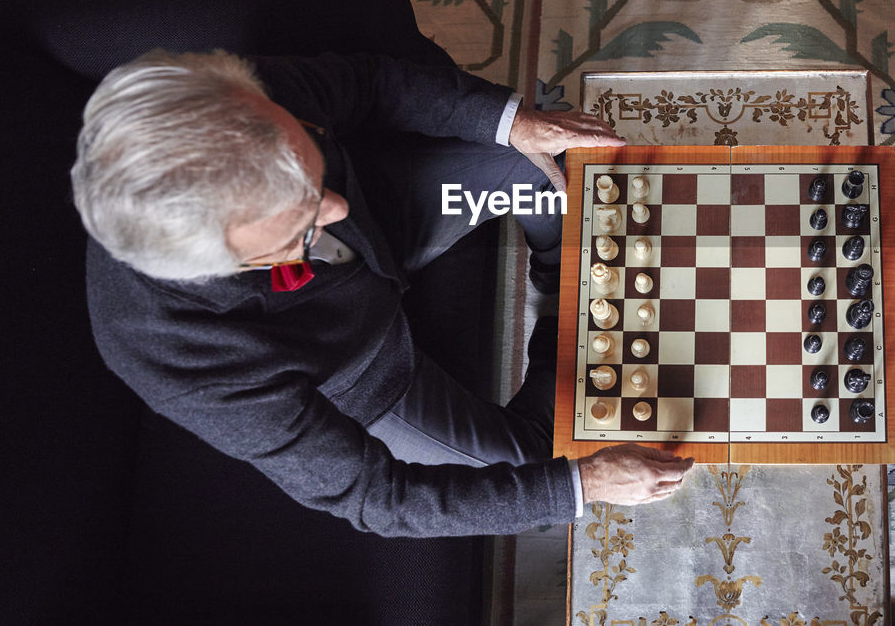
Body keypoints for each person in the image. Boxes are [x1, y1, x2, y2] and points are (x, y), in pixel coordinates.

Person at [71, 47, 693, 538]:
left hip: (392, 214)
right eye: (301, 220)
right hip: (366, 372)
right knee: (543, 471)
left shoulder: (222, 101)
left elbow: (370, 83)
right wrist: (582, 485)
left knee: (541, 171)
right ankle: (574, 334)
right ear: (222, 262)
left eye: (313, 167)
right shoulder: (179, 360)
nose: (334, 209)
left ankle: (572, 292)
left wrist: (515, 125)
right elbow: (376, 499)